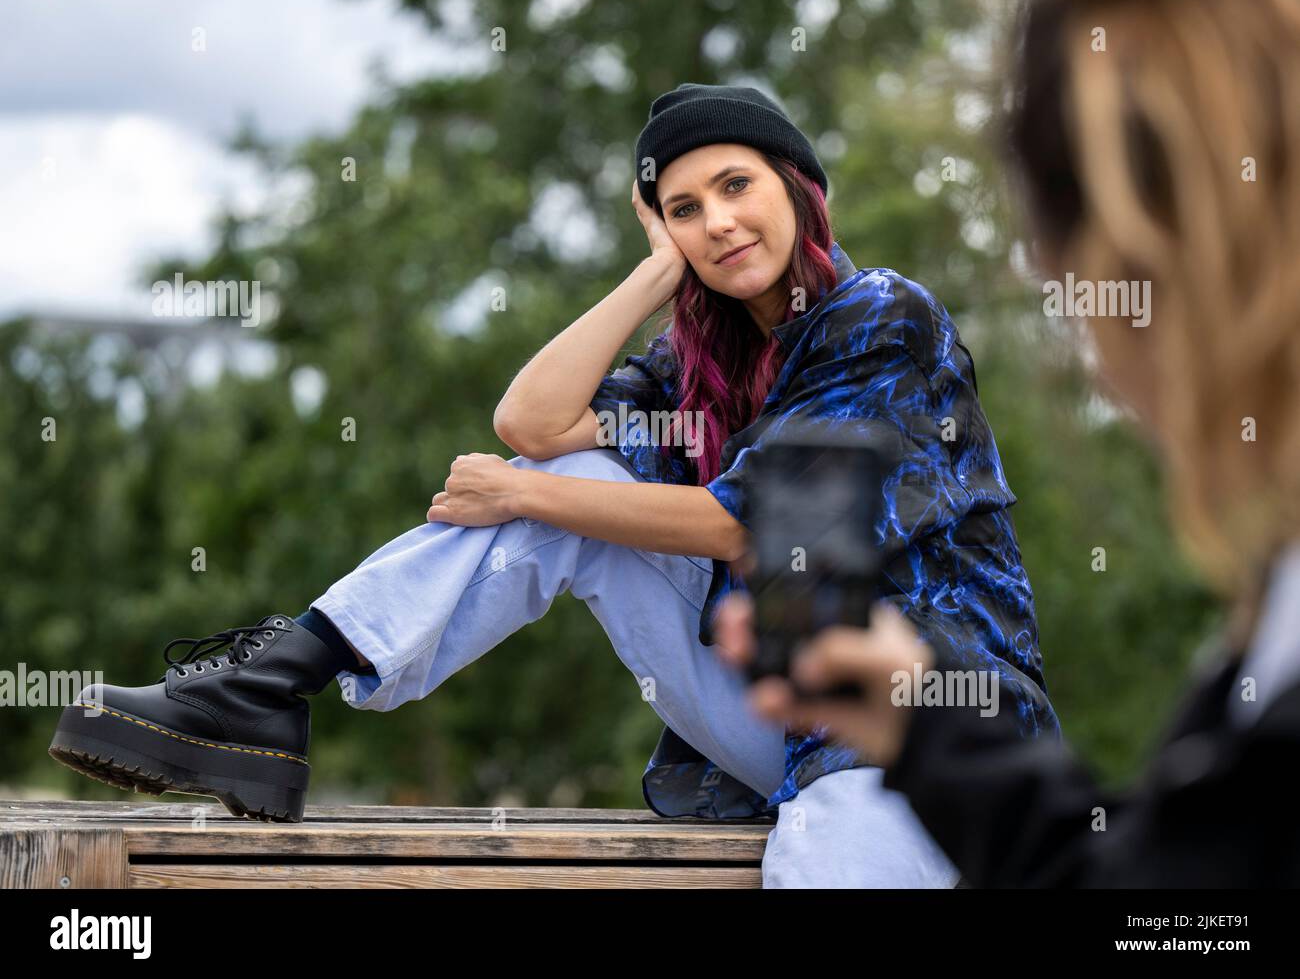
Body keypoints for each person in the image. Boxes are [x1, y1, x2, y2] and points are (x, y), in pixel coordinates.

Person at [48, 82, 1052, 888]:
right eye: (683, 208)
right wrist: (657, 273)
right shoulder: (693, 362)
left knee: (546, 495)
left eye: (738, 186)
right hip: (787, 719)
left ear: (797, 185)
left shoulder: (881, 318)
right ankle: (271, 689)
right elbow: (530, 425)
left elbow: (740, 525)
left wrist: (524, 493)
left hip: (920, 726)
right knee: (563, 472)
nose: (717, 222)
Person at [714, 0, 1300, 887]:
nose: (1094, 355)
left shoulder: (882, 313)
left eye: (1074, 285)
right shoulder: (1268, 633)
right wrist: (926, 727)